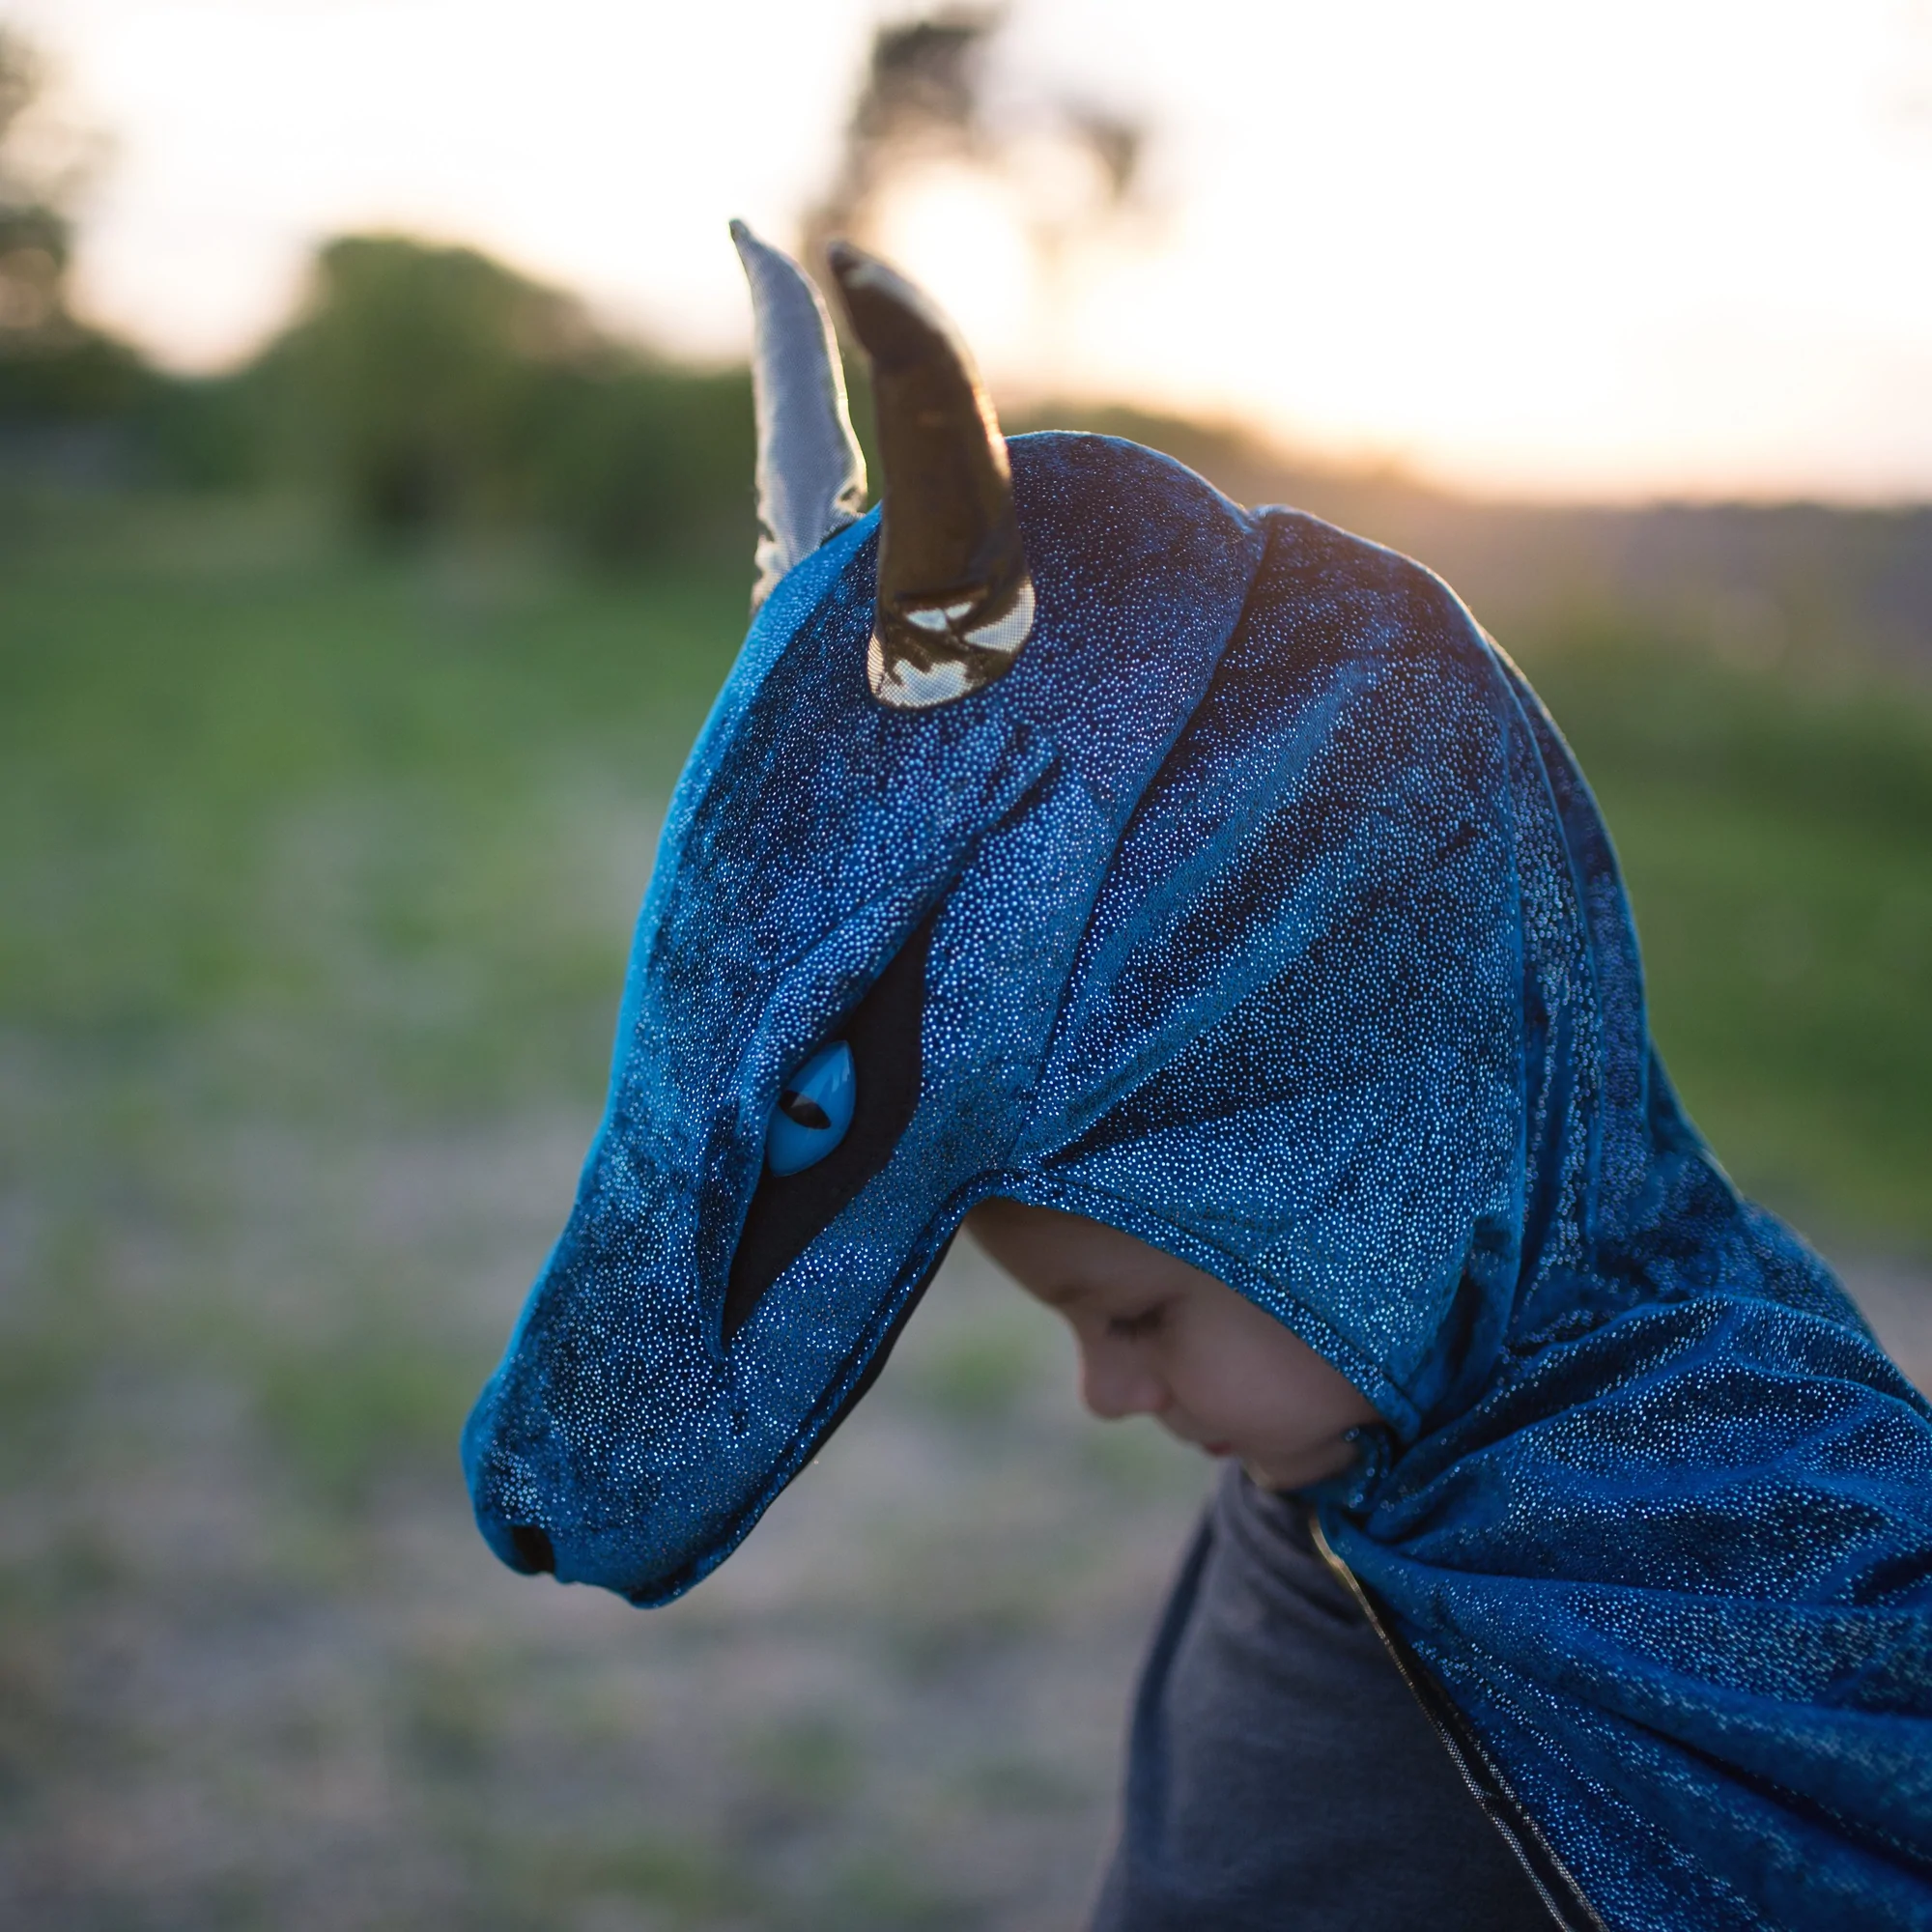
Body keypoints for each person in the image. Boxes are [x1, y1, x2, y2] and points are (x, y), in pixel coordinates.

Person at [465, 229, 1932, 1930]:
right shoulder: (1336, 1460)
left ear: (1364, 1158)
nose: (1105, 1391)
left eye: (1137, 1313)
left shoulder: (1806, 1564)